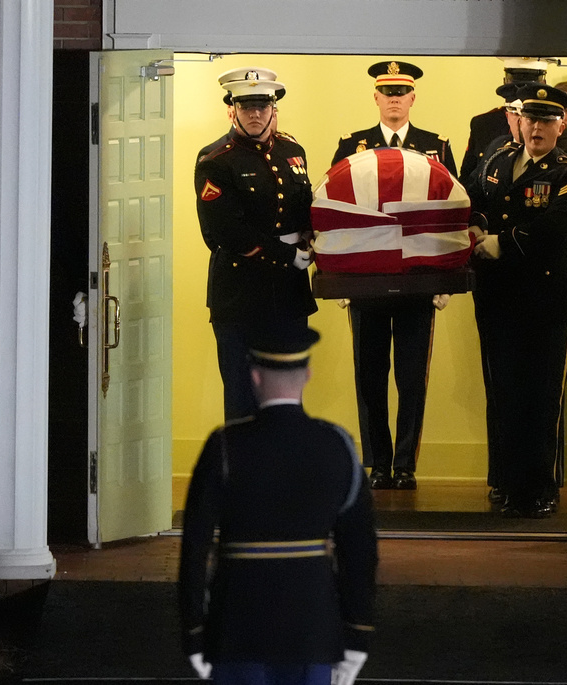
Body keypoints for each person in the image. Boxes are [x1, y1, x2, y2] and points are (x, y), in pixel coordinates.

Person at [178, 324, 378, 685]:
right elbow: (360, 552)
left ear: (255, 376)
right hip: (313, 628)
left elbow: (195, 547)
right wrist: (357, 635)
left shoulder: (224, 447)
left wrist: (194, 631)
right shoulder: (338, 446)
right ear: (308, 376)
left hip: (238, 628)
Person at [330, 60, 454, 490]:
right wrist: (342, 279)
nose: (395, 98)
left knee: (411, 377)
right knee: (370, 376)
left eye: (402, 91)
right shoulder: (351, 146)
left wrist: (445, 282)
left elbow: (449, 214)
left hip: (419, 282)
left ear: (413, 97)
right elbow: (334, 212)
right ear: (376, 97)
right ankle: (378, 463)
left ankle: (405, 465)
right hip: (365, 284)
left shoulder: (436, 146)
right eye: (388, 91)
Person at [466, 83, 567, 518]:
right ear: (518, 120)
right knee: (504, 392)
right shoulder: (498, 161)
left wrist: (500, 243)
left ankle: (540, 488)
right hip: (497, 298)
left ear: (560, 127)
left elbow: (556, 229)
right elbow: (474, 199)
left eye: (547, 120)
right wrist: (477, 228)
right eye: (530, 118)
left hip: (544, 301)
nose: (536, 128)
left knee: (542, 396)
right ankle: (508, 483)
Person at [195, 68, 317, 421]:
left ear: (273, 108)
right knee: (242, 397)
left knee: (287, 397)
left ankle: (284, 475)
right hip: (240, 293)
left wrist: (312, 235)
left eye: (262, 106)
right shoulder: (216, 160)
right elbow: (223, 232)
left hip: (289, 294)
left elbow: (302, 209)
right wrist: (288, 254)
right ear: (231, 109)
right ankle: (243, 476)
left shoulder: (293, 150)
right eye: (246, 106)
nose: (255, 114)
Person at [459, 58, 567, 183]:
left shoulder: (560, 134)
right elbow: (469, 182)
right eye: (515, 112)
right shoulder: (488, 129)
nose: (537, 126)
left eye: (539, 118)